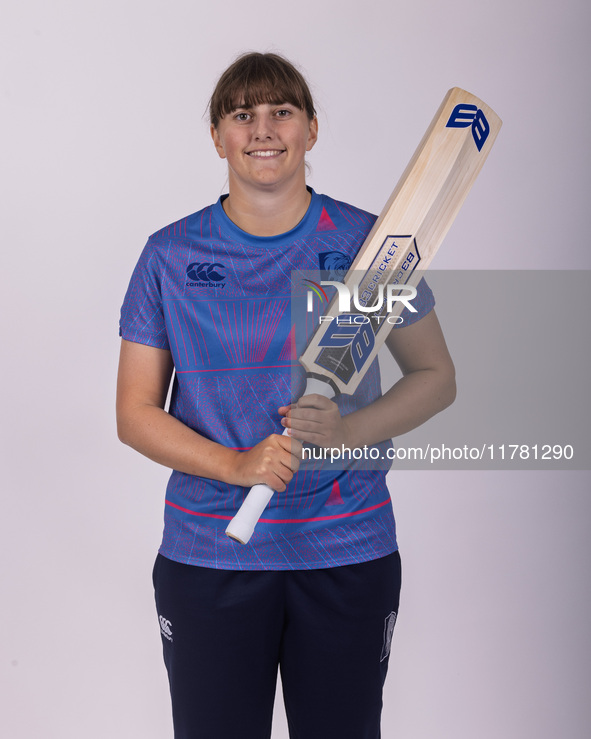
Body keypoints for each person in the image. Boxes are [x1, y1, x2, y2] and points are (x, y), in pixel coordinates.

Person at [117, 51, 456, 739]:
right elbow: (134, 413)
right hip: (211, 554)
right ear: (217, 136)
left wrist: (345, 430)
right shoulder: (168, 255)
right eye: (243, 114)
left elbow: (434, 376)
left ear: (311, 130)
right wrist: (236, 466)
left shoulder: (369, 244)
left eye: (282, 111)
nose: (263, 128)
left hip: (346, 547)